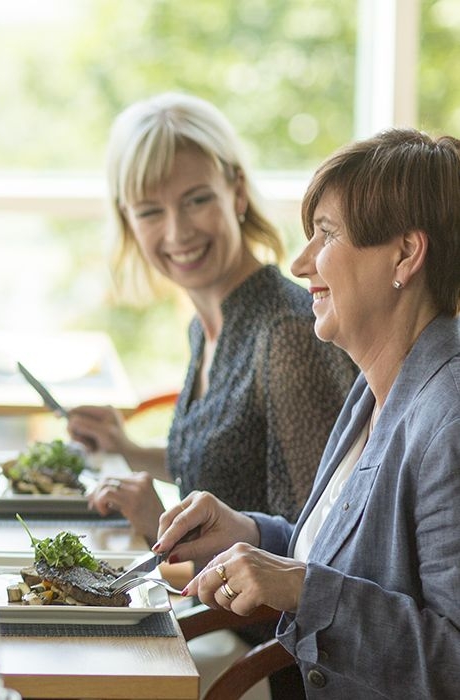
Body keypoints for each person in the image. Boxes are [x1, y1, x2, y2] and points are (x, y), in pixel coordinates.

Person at [155, 128, 460, 697]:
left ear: (406, 254)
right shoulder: (375, 390)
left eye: (325, 235)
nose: (299, 263)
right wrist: (246, 532)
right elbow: (352, 557)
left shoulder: (449, 420)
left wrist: (303, 589)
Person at [67, 93, 356, 542]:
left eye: (196, 200)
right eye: (150, 211)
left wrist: (162, 527)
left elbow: (321, 542)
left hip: (244, 613)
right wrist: (128, 450)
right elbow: (228, 467)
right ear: (128, 219)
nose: (178, 231)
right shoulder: (207, 325)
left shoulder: (288, 335)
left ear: (236, 190)